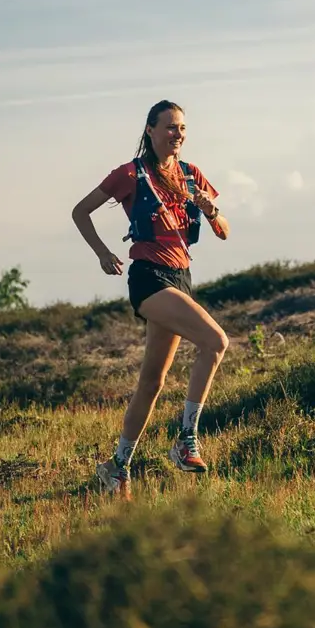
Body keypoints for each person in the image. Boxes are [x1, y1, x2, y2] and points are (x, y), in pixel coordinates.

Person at [72, 99, 230, 498]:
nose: (178, 135)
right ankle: (186, 440)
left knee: (151, 383)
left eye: (182, 128)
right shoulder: (129, 173)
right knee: (216, 341)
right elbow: (80, 211)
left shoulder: (191, 176)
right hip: (148, 278)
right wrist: (103, 253)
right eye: (171, 127)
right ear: (150, 130)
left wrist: (211, 212)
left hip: (181, 277)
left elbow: (225, 230)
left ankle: (116, 466)